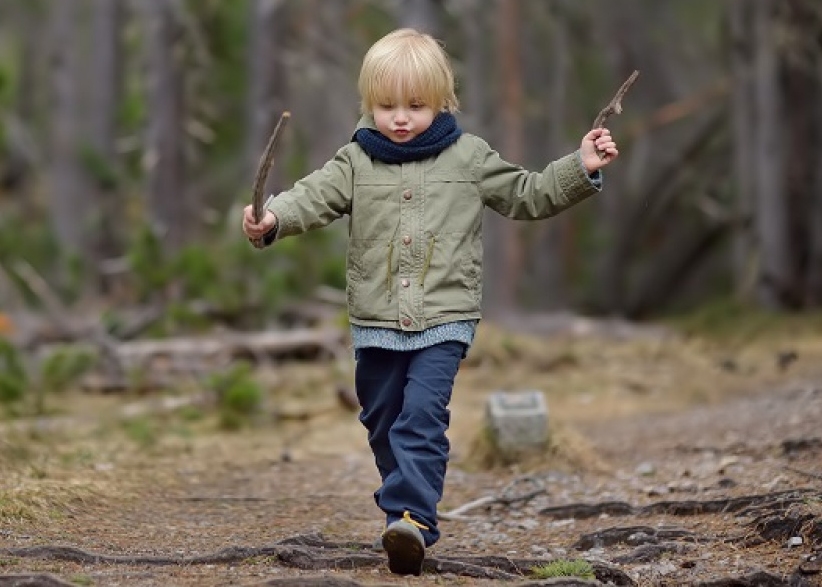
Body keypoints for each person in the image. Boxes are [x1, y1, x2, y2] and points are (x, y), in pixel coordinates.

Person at [241, 28, 619, 576]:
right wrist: (272, 218)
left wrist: (580, 166)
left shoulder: (468, 156)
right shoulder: (355, 161)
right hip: (376, 320)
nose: (400, 117)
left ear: (442, 102)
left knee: (420, 416)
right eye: (386, 105)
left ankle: (415, 518)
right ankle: (402, 515)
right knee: (382, 419)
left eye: (415, 106)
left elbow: (527, 193)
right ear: (368, 104)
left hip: (445, 319)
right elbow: (312, 196)